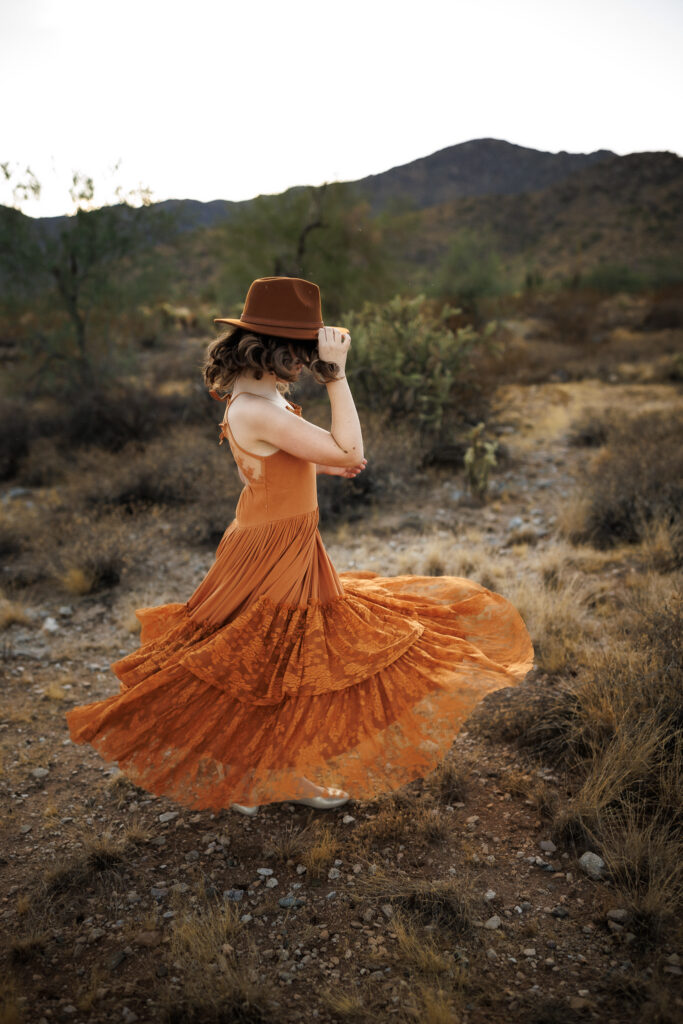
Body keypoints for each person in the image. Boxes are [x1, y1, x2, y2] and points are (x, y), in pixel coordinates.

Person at [65, 276, 534, 817]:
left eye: (312, 355)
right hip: (271, 548)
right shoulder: (257, 407)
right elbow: (349, 447)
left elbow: (315, 455)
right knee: (277, 654)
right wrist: (338, 381)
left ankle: (271, 774)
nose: (306, 364)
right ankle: (273, 777)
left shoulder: (265, 399)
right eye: (302, 353)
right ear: (266, 348)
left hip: (279, 536)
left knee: (276, 656)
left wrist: (322, 459)